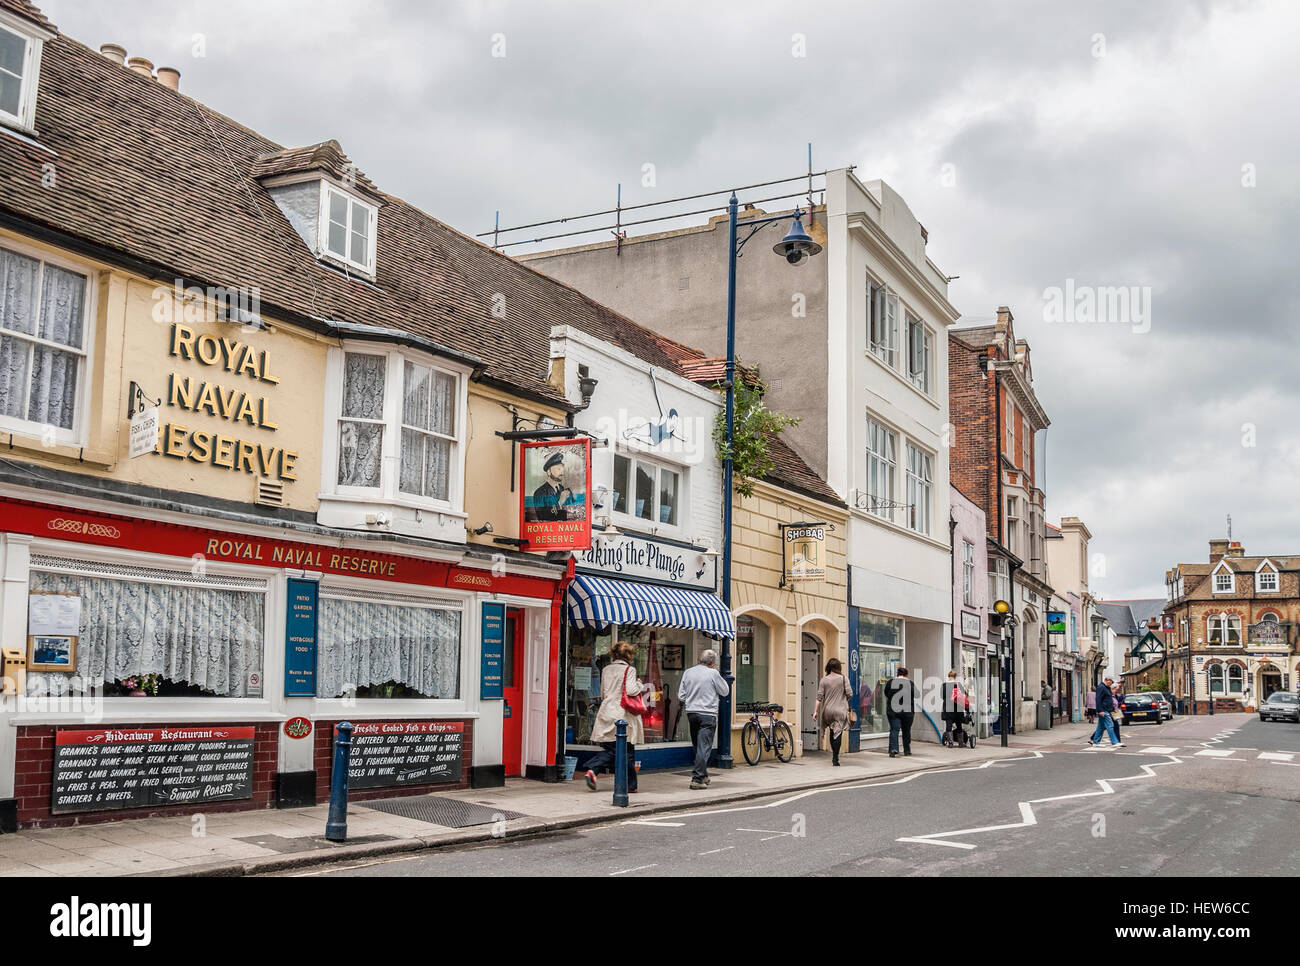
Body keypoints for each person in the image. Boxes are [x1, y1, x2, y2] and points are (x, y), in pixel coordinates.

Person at [584, 641, 645, 791]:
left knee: (616, 748)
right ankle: (594, 768)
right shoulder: (629, 670)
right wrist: (639, 685)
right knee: (624, 750)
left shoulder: (605, 669)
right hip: (622, 713)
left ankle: (630, 785)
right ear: (629, 655)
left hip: (606, 710)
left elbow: (603, 692)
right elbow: (631, 691)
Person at [677, 648, 729, 789]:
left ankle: (704, 775)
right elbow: (725, 691)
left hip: (692, 713)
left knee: (698, 746)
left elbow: (681, 696)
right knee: (704, 747)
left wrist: (692, 699)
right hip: (707, 714)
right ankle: (697, 779)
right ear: (713, 662)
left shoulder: (688, 672)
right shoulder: (713, 673)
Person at [813, 657, 854, 766]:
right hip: (839, 710)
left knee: (832, 731)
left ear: (828, 667)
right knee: (838, 732)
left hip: (827, 711)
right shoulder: (844, 679)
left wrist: (815, 712)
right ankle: (835, 758)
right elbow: (850, 694)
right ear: (838, 667)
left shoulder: (824, 680)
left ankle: (834, 754)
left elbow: (819, 697)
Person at [525, 452, 578, 522]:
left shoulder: (562, 489)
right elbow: (541, 517)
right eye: (558, 469)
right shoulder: (539, 493)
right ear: (549, 472)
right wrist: (559, 503)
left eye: (562, 469)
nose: (562, 473)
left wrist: (573, 498)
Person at [884, 667, 919, 758]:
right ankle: (907, 750)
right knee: (906, 730)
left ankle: (894, 749)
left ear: (897, 674)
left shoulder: (891, 682)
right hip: (907, 711)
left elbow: (886, 693)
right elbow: (917, 694)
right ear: (906, 674)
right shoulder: (910, 683)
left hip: (893, 710)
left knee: (894, 730)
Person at [1086, 676, 1124, 747]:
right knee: (1110, 725)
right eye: (1111, 682)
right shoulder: (1101, 687)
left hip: (1107, 710)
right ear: (1107, 680)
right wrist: (1100, 710)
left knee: (1100, 727)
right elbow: (1098, 699)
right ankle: (1114, 742)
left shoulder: (1106, 687)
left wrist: (1113, 710)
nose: (1111, 683)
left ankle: (1096, 742)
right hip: (1103, 710)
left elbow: (1108, 699)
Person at [942, 670, 971, 746]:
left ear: (949, 676)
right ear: (955, 677)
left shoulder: (944, 685)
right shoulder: (959, 685)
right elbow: (964, 696)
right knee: (959, 725)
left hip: (948, 708)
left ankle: (950, 743)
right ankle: (961, 743)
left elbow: (942, 696)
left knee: (949, 725)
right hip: (958, 708)